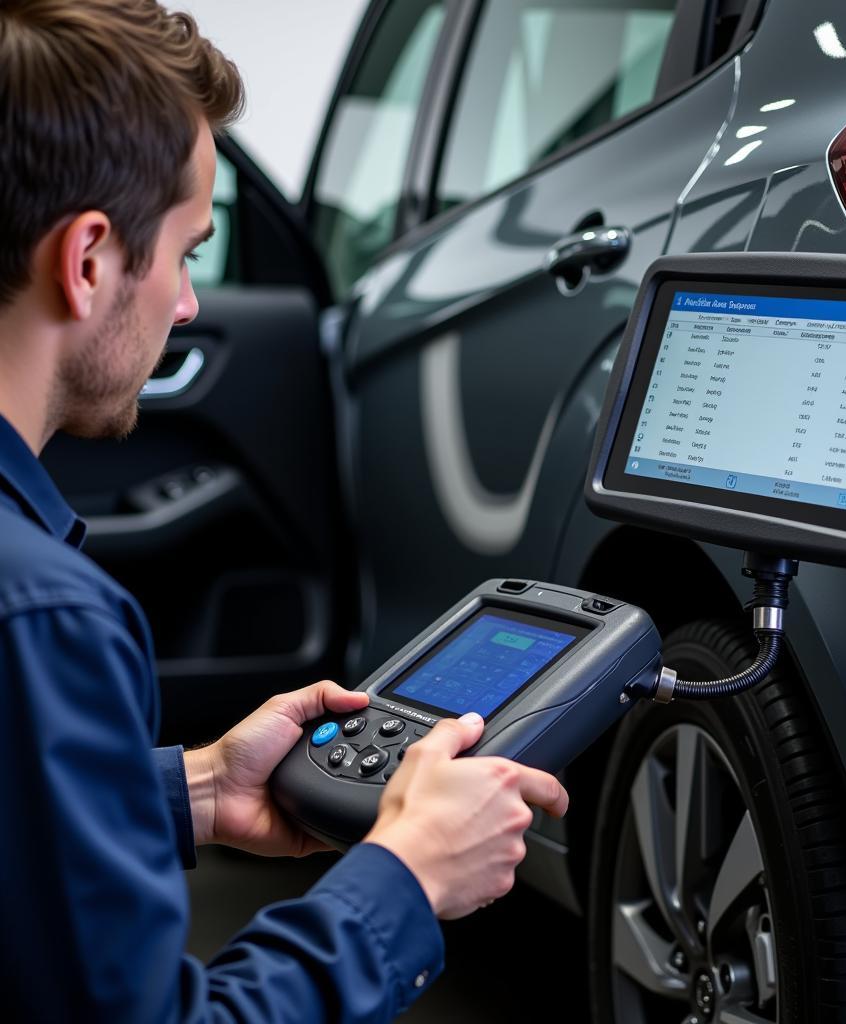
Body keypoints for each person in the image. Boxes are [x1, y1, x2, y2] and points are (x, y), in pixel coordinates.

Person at [0, 2, 569, 1021]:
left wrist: (201, 788)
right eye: (186, 253)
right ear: (87, 260)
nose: (185, 306)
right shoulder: (43, 614)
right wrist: (405, 877)